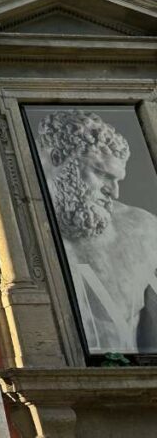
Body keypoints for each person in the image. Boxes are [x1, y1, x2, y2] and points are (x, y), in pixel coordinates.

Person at [36, 110, 157, 354]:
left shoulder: (141, 228)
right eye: (101, 174)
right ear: (57, 157)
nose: (114, 193)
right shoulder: (16, 231)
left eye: (117, 180)